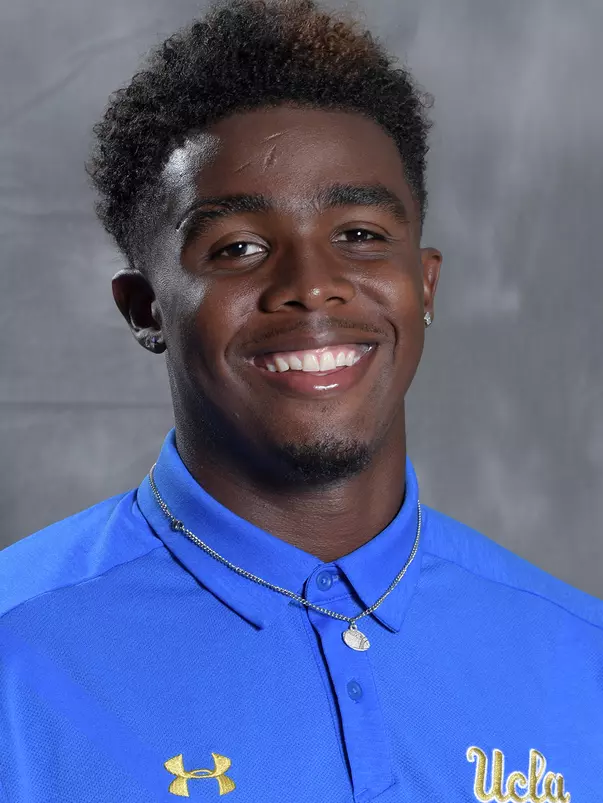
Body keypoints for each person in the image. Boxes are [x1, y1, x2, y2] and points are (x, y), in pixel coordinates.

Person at [1, 0, 601, 800]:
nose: (312, 286)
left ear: (423, 285)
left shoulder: (579, 654)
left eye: (358, 234)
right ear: (145, 308)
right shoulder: (19, 652)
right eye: (238, 247)